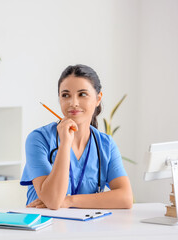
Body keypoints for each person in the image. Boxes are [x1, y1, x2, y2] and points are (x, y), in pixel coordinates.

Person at [20, 64, 133, 210]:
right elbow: (53, 202)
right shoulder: (38, 139)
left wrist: (69, 201)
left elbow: (125, 198)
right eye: (66, 95)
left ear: (98, 99)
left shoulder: (106, 145)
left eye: (82, 94)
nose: (73, 103)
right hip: (44, 227)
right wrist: (65, 144)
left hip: (86, 229)